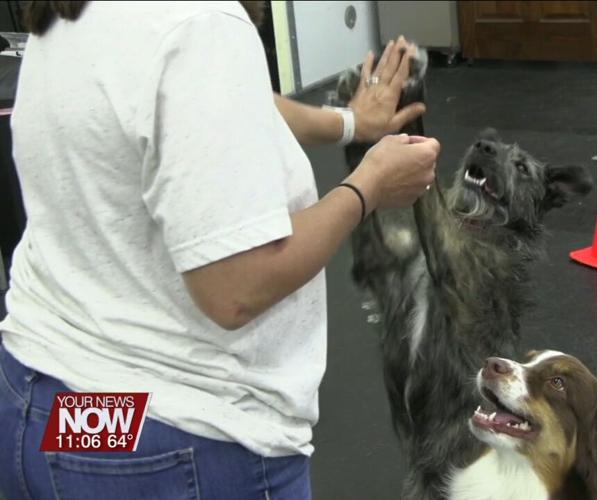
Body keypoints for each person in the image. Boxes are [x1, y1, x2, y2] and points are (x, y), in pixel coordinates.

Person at [0, 2, 438, 499]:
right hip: (171, 439)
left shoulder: (87, 11)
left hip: (50, 409)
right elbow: (236, 288)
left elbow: (225, 102)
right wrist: (368, 186)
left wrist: (348, 123)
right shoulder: (201, 24)